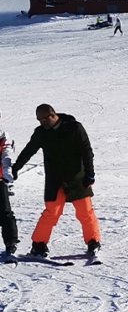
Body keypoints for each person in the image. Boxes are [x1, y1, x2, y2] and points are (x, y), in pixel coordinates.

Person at [11, 105, 101, 258]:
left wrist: (90, 174)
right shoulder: (41, 132)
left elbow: (87, 151)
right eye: (39, 120)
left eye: (43, 119)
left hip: (77, 177)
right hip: (54, 179)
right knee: (52, 212)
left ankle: (93, 242)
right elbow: (29, 150)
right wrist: (16, 167)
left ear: (51, 115)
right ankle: (38, 245)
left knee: (85, 212)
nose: (41, 123)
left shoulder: (74, 128)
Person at [1, 111, 18, 256]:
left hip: (0, 180)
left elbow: (7, 154)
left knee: (5, 212)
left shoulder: (3, 137)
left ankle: (11, 242)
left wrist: (7, 173)